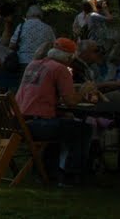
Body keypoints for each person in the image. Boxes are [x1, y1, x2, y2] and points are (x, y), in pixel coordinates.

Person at [15, 47, 95, 180]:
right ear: (68, 58)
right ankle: (72, 174)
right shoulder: (60, 69)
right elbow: (70, 102)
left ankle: (46, 169)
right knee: (84, 130)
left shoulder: (33, 64)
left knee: (63, 123)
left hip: (18, 122)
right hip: (37, 125)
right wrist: (83, 91)